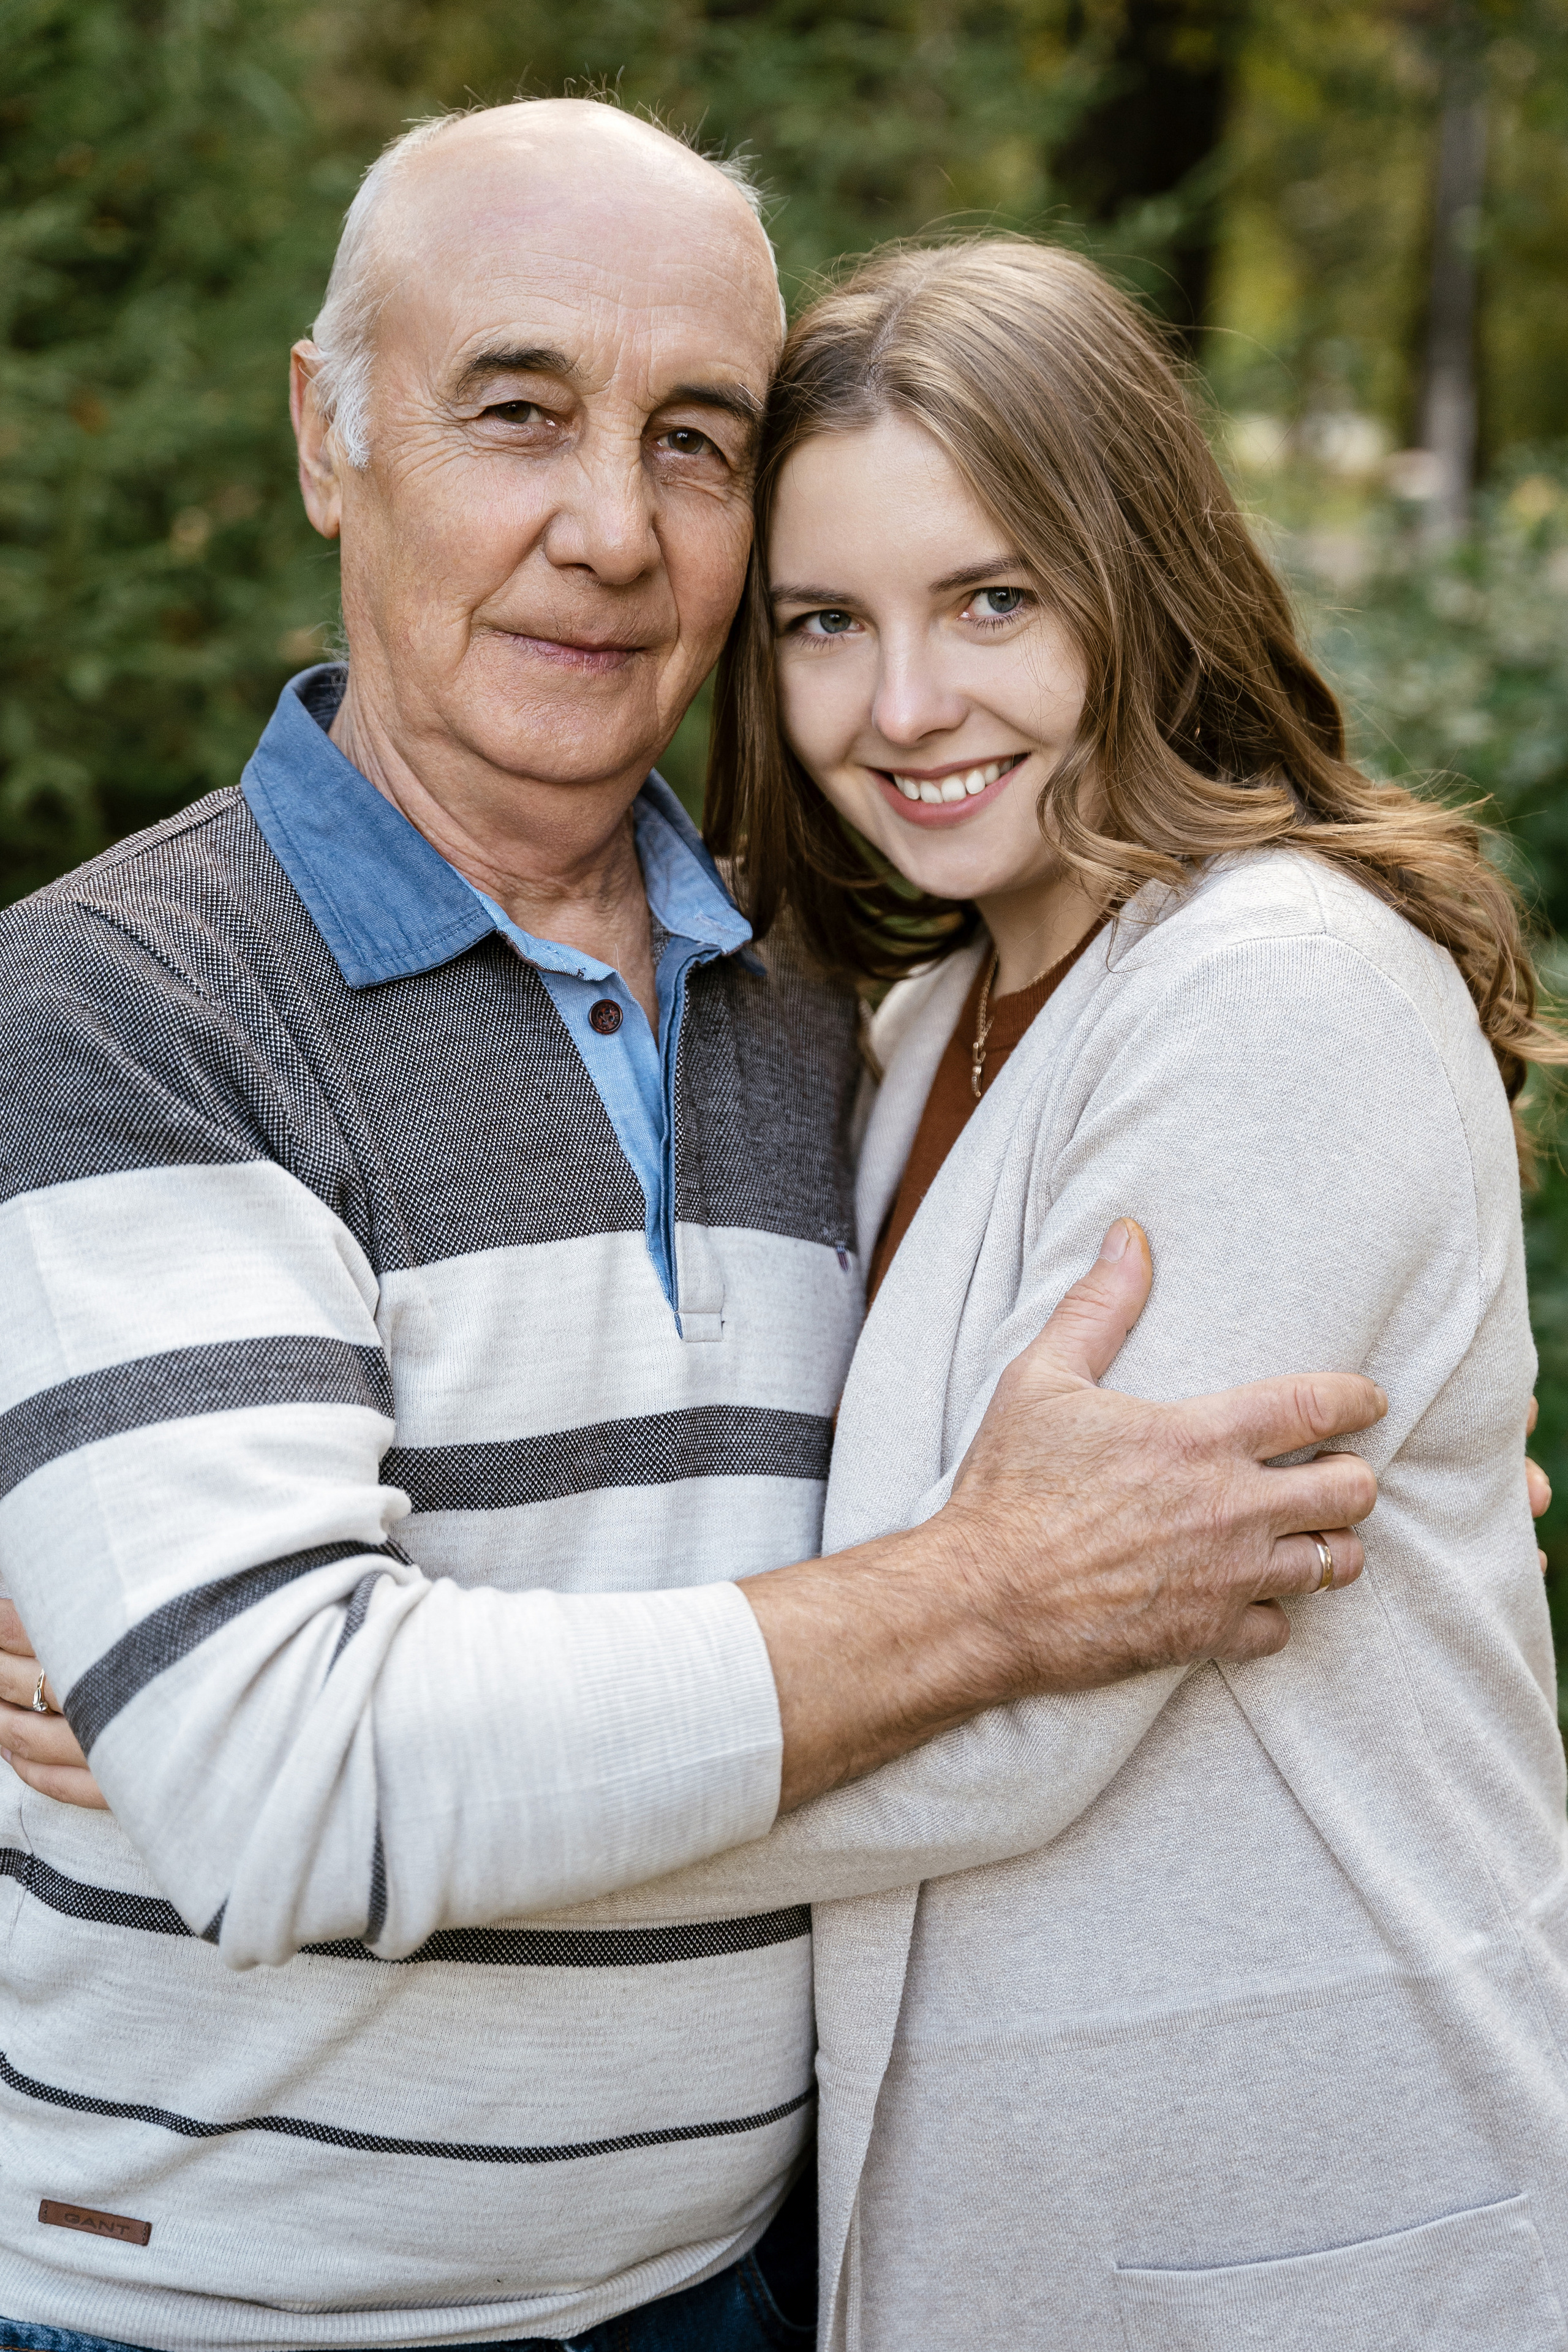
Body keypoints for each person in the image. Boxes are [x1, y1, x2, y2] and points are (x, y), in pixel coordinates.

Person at [0, 108, 1381, 2352]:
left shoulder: (834, 1012)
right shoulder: (120, 1002)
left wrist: (1356, 1521)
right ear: (326, 436)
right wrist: (997, 1595)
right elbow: (288, 1790)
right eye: (518, 412)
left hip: (742, 2287)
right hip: (235, 2317)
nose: (610, 531)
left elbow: (1081, 1505)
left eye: (699, 443)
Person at [691, 236, 1568, 2346]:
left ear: (1137, 577)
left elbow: (1003, 1731)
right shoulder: (914, 1035)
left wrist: (358, 1774)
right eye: (827, 622)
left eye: (991, 598)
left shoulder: (1278, 991)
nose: (903, 706)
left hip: (1309, 2227)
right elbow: (894, 1585)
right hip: (1004, 2231)